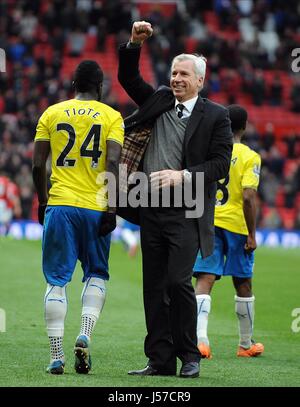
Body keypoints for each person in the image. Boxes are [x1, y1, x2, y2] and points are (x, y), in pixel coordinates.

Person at [117, 21, 233, 378]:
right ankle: (160, 359)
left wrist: (182, 175)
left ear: (200, 80)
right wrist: (135, 44)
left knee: (177, 282)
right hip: (150, 206)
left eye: (184, 74)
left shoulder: (216, 115)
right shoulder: (160, 100)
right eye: (173, 72)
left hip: (189, 207)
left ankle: (190, 355)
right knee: (153, 285)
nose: (177, 78)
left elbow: (220, 164)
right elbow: (128, 79)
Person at [32, 60, 124, 374]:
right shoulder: (112, 117)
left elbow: (37, 165)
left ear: (74, 84)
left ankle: (56, 356)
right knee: (96, 274)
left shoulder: (51, 113)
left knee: (56, 281)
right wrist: (112, 209)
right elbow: (113, 164)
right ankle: (85, 332)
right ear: (101, 87)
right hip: (96, 208)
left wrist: (43, 202)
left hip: (60, 204)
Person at [193, 104, 264, 359]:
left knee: (204, 279)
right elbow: (247, 197)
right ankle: (245, 345)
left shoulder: (212, 151)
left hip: (210, 223)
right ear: (244, 127)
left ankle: (201, 341)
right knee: (243, 282)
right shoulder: (250, 157)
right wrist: (252, 234)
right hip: (236, 226)